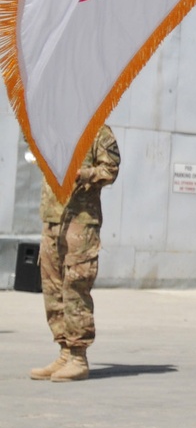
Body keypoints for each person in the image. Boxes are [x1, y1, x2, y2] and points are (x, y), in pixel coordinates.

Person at [30, 124, 121, 383]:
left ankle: (78, 357)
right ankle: (64, 352)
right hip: (52, 217)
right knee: (52, 287)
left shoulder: (98, 130)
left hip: (81, 221)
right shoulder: (54, 131)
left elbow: (110, 169)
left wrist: (84, 174)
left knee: (75, 285)